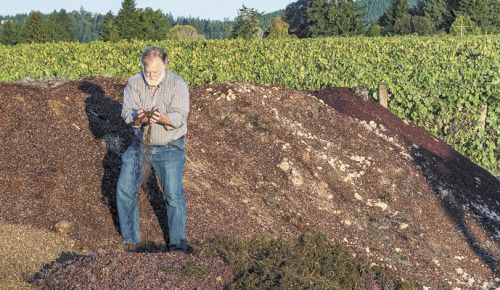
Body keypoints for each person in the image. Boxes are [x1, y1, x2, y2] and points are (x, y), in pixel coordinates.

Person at [116, 45, 191, 253]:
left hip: (170, 146)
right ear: (142, 66)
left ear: (165, 66)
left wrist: (162, 118)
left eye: (156, 72)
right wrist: (137, 116)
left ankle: (177, 244)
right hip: (141, 144)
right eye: (148, 71)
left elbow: (179, 117)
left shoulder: (177, 84)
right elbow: (126, 113)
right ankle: (131, 239)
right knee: (124, 188)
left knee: (173, 196)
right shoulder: (134, 82)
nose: (151, 75)